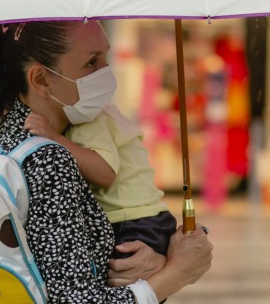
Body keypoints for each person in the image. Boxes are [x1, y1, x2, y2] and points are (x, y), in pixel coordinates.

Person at [0, 20, 212, 304]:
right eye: (91, 63)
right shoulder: (50, 158)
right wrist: (178, 272)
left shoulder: (11, 140)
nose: (105, 73)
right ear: (41, 80)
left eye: (105, 56)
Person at [24, 95, 177, 259]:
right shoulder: (105, 112)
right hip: (149, 220)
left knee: (120, 280)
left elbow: (104, 173)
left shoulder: (89, 119)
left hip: (130, 223)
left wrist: (54, 137)